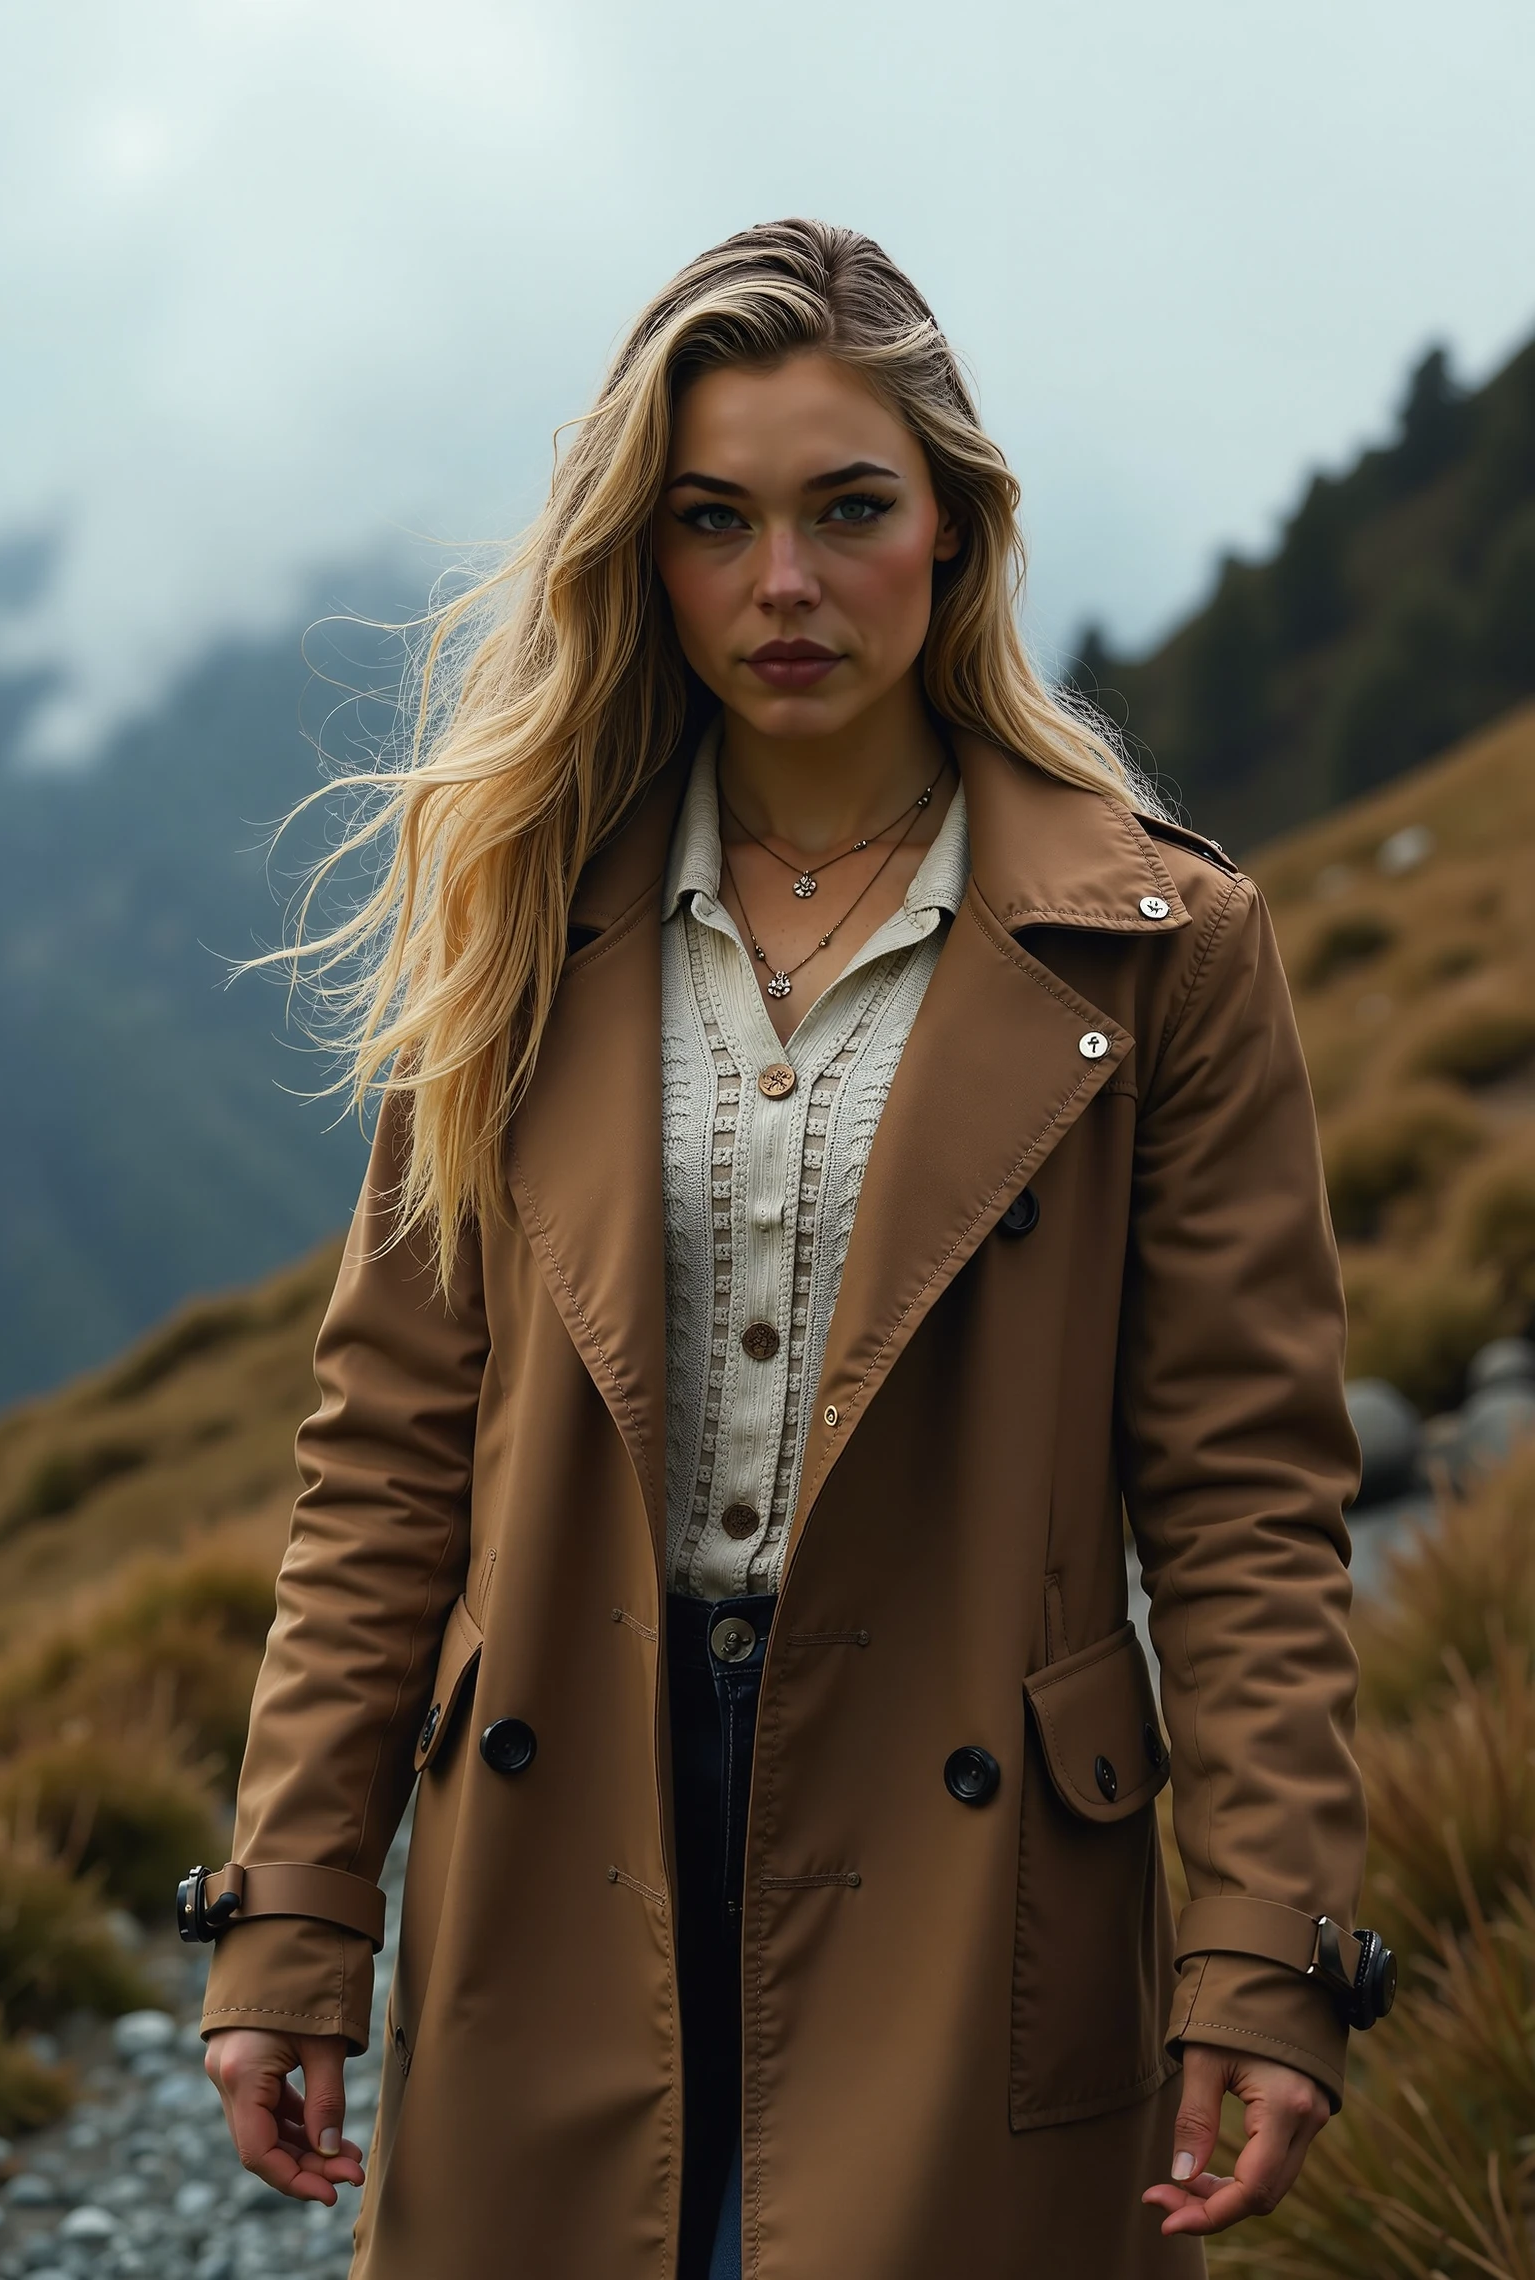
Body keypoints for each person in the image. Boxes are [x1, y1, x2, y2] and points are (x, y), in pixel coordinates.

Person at [187, 219, 1388, 2280]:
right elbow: (387, 1448)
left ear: (955, 530)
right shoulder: (519, 920)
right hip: (569, 1797)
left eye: (850, 510)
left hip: (975, 1839)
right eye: (715, 522)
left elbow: (1245, 1498)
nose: (786, 586)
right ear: (645, 560)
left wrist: (1264, 1943)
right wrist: (295, 1901)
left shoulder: (1163, 948)